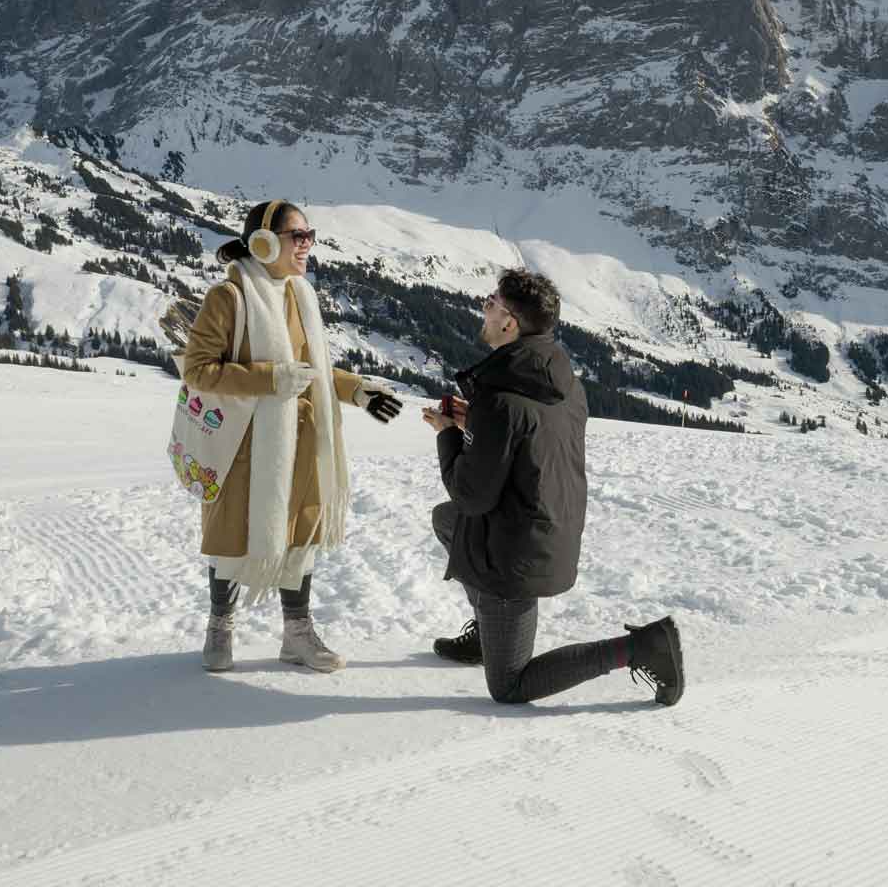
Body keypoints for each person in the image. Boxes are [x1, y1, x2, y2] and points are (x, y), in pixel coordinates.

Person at [422, 268, 684, 706]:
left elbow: (471, 494)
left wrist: (448, 433)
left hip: (517, 556)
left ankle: (640, 647)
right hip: (550, 530)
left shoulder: (500, 398)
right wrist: (479, 427)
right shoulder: (564, 383)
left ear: (510, 323)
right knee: (446, 521)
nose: (483, 308)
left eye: (490, 302)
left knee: (509, 685)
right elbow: (530, 444)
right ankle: (490, 633)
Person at [180, 198, 403, 673]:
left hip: (301, 441)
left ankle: (297, 636)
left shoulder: (299, 295)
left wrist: (357, 390)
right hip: (244, 443)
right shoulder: (230, 297)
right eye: (297, 237)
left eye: (310, 236)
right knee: (232, 539)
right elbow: (199, 371)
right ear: (262, 242)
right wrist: (270, 378)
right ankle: (220, 628)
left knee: (300, 537)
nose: (307, 246)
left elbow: (310, 369)